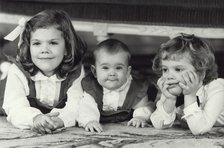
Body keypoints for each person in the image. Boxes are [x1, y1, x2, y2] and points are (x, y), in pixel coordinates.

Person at [2, 9, 86, 134]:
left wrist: (61, 120)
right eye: (36, 43)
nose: (44, 50)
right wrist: (35, 118)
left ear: (67, 48)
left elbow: (76, 105)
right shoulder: (18, 72)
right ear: (28, 46)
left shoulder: (75, 72)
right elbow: (15, 106)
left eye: (53, 43)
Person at [150, 33, 224, 135]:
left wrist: (190, 96)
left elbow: (200, 129)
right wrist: (169, 100)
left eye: (178, 69)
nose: (169, 76)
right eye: (165, 69)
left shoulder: (216, 90)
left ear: (200, 73)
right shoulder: (173, 87)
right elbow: (159, 124)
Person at [77, 39, 155, 133]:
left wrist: (140, 117)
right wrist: (90, 121)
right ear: (94, 71)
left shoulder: (135, 88)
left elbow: (144, 106)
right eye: (105, 68)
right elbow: (86, 107)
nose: (112, 73)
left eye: (118, 68)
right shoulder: (92, 88)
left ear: (128, 71)